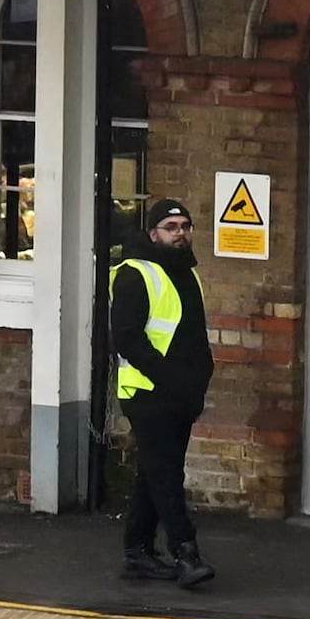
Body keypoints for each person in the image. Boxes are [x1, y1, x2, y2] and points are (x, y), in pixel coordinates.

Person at [107, 196, 213, 589]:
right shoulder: (136, 274)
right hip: (148, 393)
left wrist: (201, 377)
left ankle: (137, 552)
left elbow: (193, 335)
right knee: (166, 473)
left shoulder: (187, 273)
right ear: (153, 234)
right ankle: (186, 552)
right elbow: (128, 339)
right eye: (171, 228)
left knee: (153, 472)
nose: (180, 234)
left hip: (182, 393)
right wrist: (169, 378)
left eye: (185, 226)